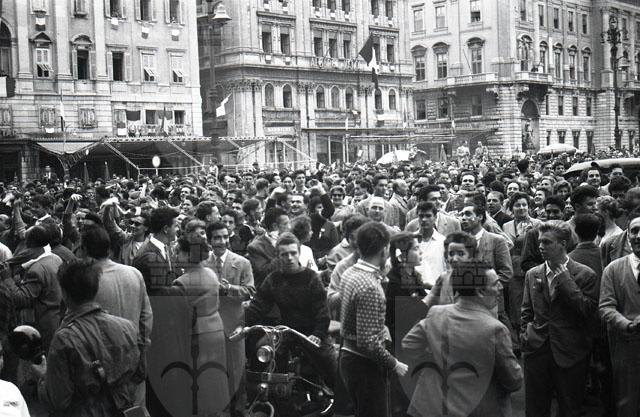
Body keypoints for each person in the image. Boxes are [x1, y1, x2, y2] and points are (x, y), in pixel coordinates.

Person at [402, 261, 523, 417]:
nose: (500, 288)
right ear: (480, 291)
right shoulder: (495, 329)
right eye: (495, 284)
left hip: (431, 407)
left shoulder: (436, 313)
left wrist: (436, 360)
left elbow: (409, 345)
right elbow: (514, 381)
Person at [31, 260, 143, 417]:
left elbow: (58, 401)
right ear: (95, 289)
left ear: (64, 294)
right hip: (122, 409)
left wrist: (43, 376)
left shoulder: (64, 338)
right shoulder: (127, 327)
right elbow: (140, 373)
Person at [520, 222, 598, 417]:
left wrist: (565, 281)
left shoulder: (585, 274)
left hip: (571, 352)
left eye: (547, 242)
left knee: (569, 408)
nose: (540, 247)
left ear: (563, 244)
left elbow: (587, 311)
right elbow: (526, 311)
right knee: (535, 409)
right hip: (537, 351)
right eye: (540, 242)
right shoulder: (532, 274)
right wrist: (526, 337)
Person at [243, 232, 336, 386]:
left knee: (331, 366)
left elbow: (322, 311)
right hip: (287, 331)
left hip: (311, 332)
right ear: (277, 256)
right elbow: (258, 306)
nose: (289, 258)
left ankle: (340, 397)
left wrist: (318, 334)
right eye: (284, 254)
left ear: (299, 253)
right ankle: (267, 392)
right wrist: (243, 325)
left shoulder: (311, 277)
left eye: (293, 253)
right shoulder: (273, 279)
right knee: (261, 353)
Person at [339, 222, 408, 417]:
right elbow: (368, 342)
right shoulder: (370, 286)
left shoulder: (350, 272)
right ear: (385, 249)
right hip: (365, 365)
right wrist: (393, 363)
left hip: (348, 357)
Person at [81, 226, 153, 410]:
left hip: (102, 365)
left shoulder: (87, 280)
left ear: (84, 249)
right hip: (134, 356)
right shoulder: (133, 273)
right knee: (135, 408)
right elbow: (146, 317)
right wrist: (142, 349)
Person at [172, 228, 230, 416]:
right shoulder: (210, 273)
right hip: (216, 329)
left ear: (188, 255)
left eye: (179, 252)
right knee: (216, 378)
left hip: (197, 335)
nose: (176, 255)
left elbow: (178, 317)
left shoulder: (182, 282)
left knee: (199, 380)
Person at [203, 221, 254, 416]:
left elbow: (250, 292)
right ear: (209, 240)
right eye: (217, 237)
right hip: (208, 326)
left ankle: (239, 410)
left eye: (225, 237)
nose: (222, 241)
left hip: (234, 325)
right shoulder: (202, 263)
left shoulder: (242, 262)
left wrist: (229, 289)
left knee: (236, 371)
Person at [599, 214, 640, 417]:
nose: (639, 236)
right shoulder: (613, 269)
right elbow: (606, 306)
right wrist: (627, 324)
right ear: (628, 236)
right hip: (626, 345)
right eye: (635, 231)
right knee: (627, 399)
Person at [132, 207, 180, 295]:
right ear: (166, 229)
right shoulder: (148, 256)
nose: (178, 229)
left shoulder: (166, 248)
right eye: (175, 226)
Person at [246, 207, 290, 288]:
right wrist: (281, 247)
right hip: (269, 291)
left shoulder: (290, 240)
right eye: (285, 224)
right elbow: (265, 273)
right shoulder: (255, 247)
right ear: (275, 226)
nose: (289, 227)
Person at [413, 201, 446, 288]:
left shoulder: (443, 242)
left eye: (428, 216)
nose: (424, 219)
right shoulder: (410, 240)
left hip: (436, 291)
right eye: (421, 216)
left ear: (435, 217)